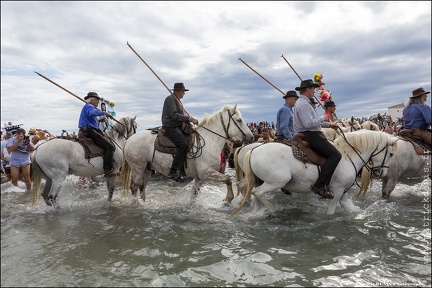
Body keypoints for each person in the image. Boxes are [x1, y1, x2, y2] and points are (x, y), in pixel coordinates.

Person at [293, 79, 341, 199]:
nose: (314, 91)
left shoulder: (305, 103)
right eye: (313, 89)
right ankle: (319, 185)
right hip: (310, 135)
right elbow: (309, 124)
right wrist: (323, 117)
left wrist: (329, 125)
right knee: (335, 155)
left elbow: (315, 124)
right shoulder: (303, 104)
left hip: (312, 132)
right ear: (308, 89)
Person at [161, 83, 199, 182]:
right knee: (184, 145)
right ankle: (173, 172)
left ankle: (185, 169)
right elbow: (174, 115)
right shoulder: (170, 99)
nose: (184, 94)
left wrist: (187, 121)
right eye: (183, 91)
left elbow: (180, 115)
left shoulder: (178, 101)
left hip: (177, 125)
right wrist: (189, 118)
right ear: (178, 91)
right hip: (170, 126)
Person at [78, 92, 116, 177]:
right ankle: (108, 170)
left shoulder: (89, 107)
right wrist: (104, 112)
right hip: (89, 130)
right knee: (110, 147)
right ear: (92, 99)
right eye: (97, 100)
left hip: (90, 129)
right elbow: (91, 113)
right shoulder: (89, 106)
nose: (98, 102)